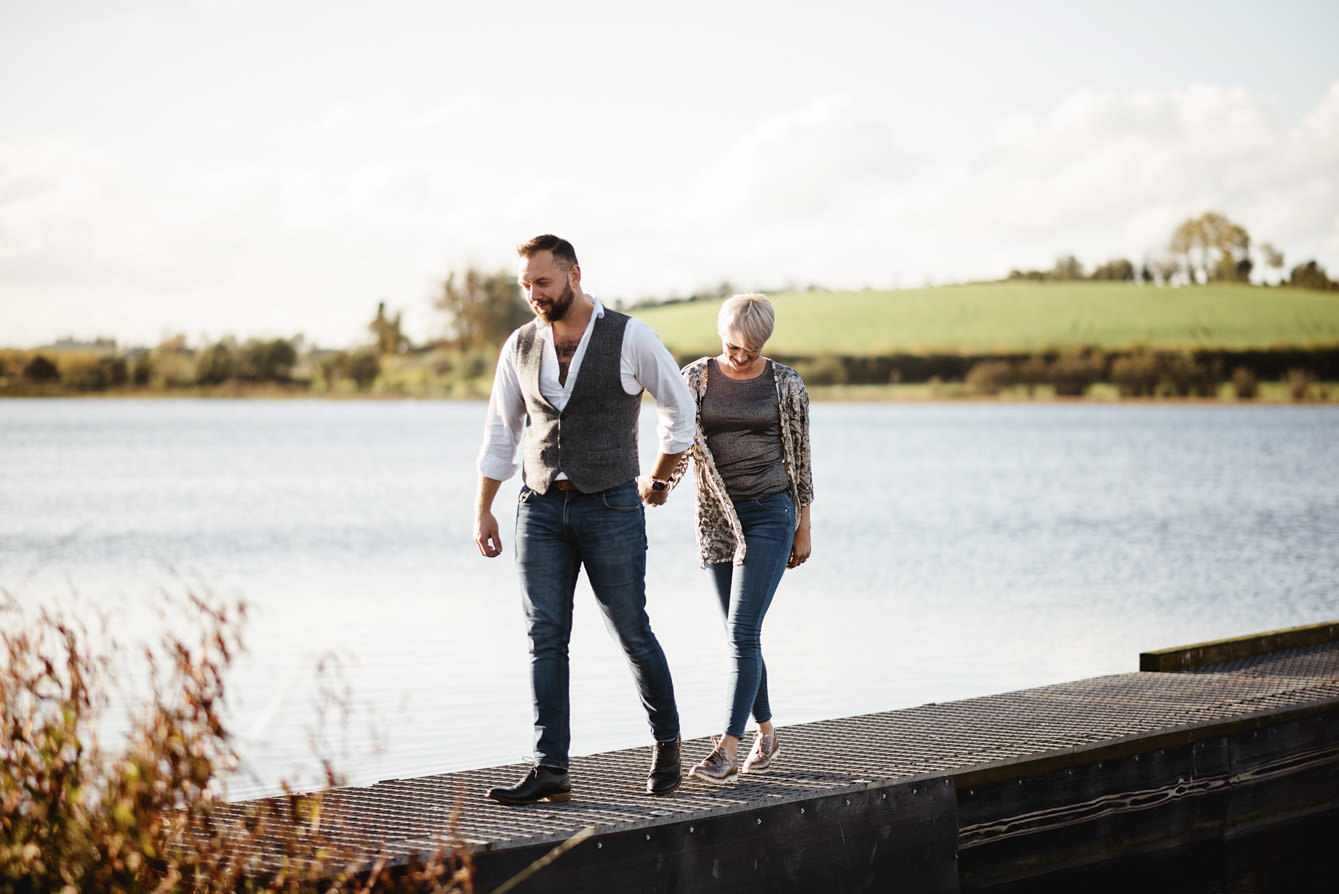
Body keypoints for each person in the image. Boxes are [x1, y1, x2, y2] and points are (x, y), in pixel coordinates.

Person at [474, 234, 695, 804]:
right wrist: (485, 509)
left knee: (631, 631)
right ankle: (551, 767)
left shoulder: (631, 336)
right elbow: (502, 431)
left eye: (542, 282)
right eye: (525, 285)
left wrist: (663, 477)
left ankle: (667, 743)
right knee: (544, 636)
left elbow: (679, 407)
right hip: (538, 507)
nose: (533, 295)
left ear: (574, 273)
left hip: (611, 506)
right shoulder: (519, 345)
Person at [669, 293, 813, 784]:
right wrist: (659, 483)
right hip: (717, 519)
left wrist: (804, 526)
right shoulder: (694, 379)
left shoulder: (786, 384)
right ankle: (767, 731)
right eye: (733, 347)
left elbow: (801, 458)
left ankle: (726, 749)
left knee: (742, 633)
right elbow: (678, 444)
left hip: (772, 513)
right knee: (739, 635)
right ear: (721, 333)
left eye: (750, 350)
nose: (739, 357)